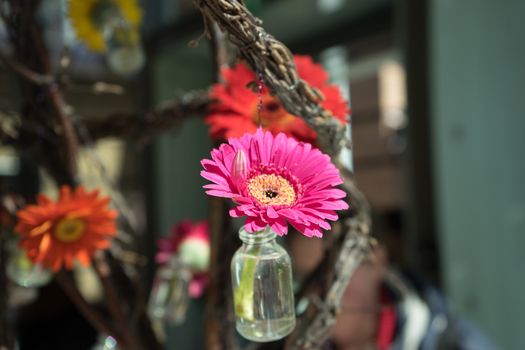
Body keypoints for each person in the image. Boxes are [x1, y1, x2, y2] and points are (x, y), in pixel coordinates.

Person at [288, 235, 498, 350]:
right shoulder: (285, 342)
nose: (322, 291)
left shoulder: (455, 345)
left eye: (336, 270)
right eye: (307, 277)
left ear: (377, 261)